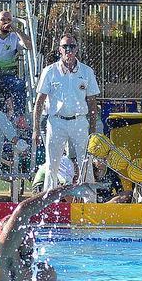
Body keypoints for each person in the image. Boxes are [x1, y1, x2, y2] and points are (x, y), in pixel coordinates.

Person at [33, 34, 99, 193]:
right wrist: (35, 129)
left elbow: (92, 102)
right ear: (59, 50)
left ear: (77, 49)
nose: (68, 50)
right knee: (52, 165)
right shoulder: (49, 71)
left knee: (86, 163)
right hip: (56, 122)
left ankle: (89, 202)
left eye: (72, 46)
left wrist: (93, 127)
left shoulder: (86, 71)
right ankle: (49, 204)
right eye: (65, 46)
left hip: (79, 122)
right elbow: (40, 101)